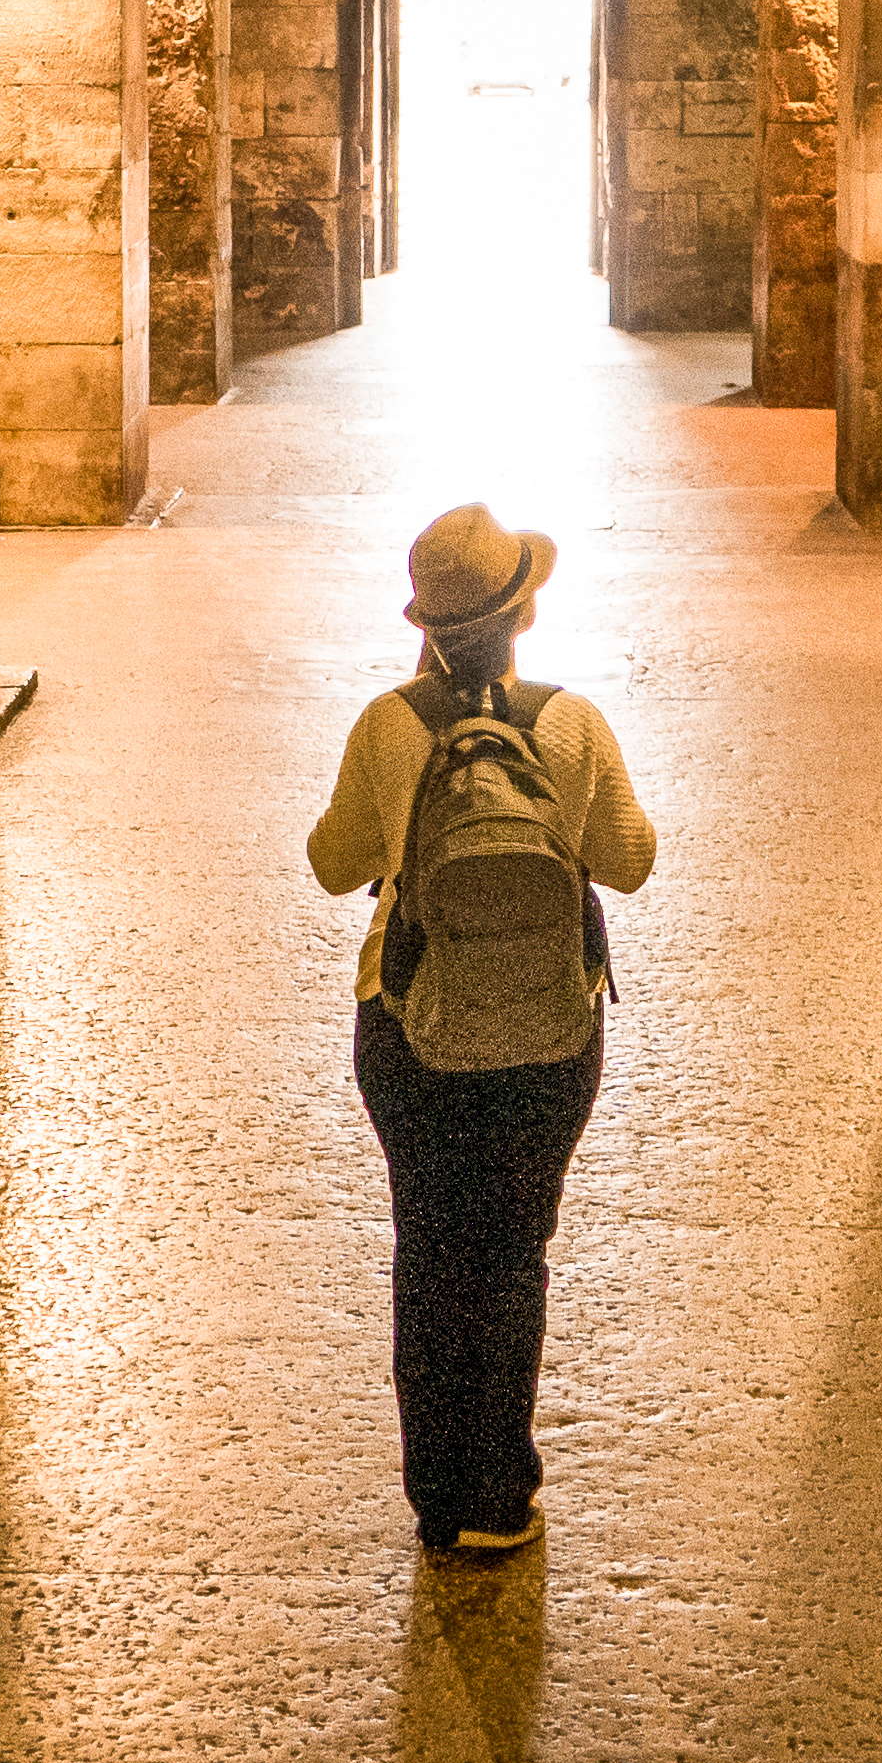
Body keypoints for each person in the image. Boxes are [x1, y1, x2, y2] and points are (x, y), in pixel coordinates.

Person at [307, 500, 658, 1562]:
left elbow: (331, 863)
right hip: (551, 1030)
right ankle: (502, 1496)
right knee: (513, 1252)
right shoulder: (571, 721)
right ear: (524, 613)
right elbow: (632, 859)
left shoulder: (384, 723)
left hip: (413, 1023)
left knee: (431, 1246)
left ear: (424, 622)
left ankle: (439, 1500)